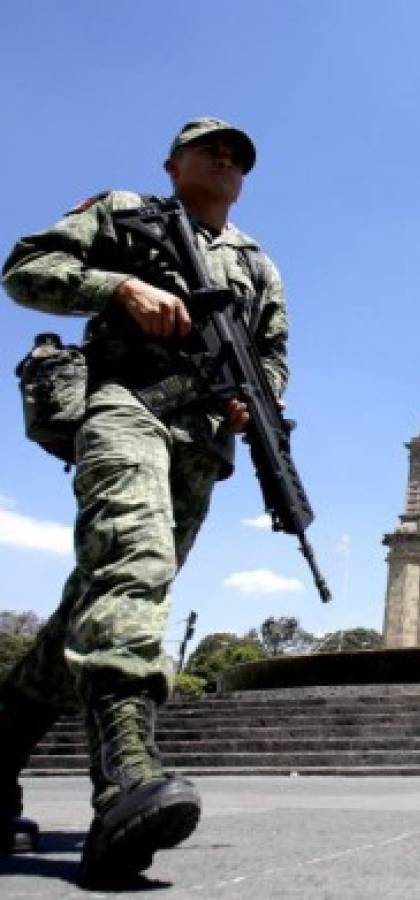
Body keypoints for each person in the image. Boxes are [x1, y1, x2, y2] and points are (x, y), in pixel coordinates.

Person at [0, 118, 288, 884]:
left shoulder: (258, 264)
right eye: (210, 148)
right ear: (174, 163)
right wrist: (117, 287)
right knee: (136, 560)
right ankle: (126, 780)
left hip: (199, 448)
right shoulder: (124, 212)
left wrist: (255, 406)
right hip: (124, 407)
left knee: (101, 599)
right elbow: (24, 269)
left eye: (238, 156)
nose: (226, 159)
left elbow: (272, 358)